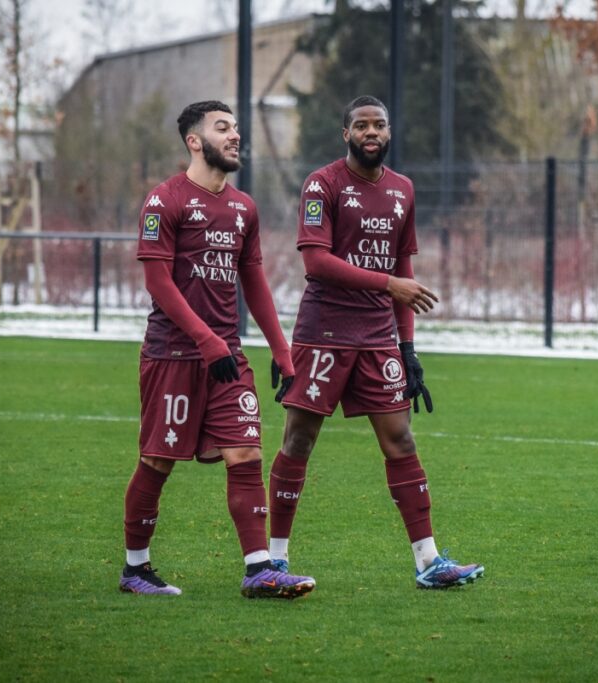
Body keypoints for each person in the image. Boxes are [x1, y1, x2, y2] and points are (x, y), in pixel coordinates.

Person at [266, 95, 484, 589]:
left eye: (379, 125)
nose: (371, 132)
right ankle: (274, 560)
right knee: (298, 440)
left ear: (389, 132)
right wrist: (389, 285)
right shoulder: (322, 184)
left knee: (401, 438)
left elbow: (403, 266)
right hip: (323, 333)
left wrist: (407, 349)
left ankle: (429, 562)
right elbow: (316, 262)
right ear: (345, 134)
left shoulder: (403, 189)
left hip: (377, 336)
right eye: (361, 125)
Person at [119, 100, 315, 599]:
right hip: (172, 355)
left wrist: (282, 350)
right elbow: (158, 283)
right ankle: (135, 569)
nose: (234, 136)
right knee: (157, 462)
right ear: (194, 141)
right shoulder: (164, 200)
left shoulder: (244, 207)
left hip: (227, 357)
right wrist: (205, 340)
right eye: (222, 128)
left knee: (245, 451)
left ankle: (259, 570)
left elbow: (254, 281)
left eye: (235, 128)